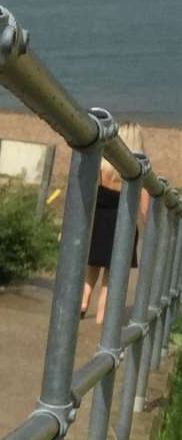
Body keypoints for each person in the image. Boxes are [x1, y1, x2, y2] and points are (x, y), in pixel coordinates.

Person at [82, 122, 148, 324]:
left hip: (98, 222)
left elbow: (89, 194)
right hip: (122, 227)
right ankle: (102, 316)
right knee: (112, 275)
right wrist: (143, 228)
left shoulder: (101, 166)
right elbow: (144, 209)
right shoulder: (138, 171)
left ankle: (82, 302)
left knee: (91, 267)